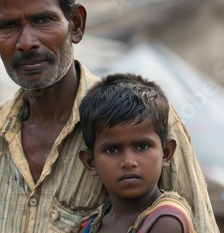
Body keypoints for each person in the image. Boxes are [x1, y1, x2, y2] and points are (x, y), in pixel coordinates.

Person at [0, 0, 218, 232]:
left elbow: (200, 225)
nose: (27, 42)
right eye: (9, 26)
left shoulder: (142, 119)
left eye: (43, 20)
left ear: (76, 24)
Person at [78, 73, 195, 233]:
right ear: (90, 162)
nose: (128, 162)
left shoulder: (167, 221)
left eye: (142, 147)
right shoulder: (93, 224)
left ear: (166, 153)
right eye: (112, 150)